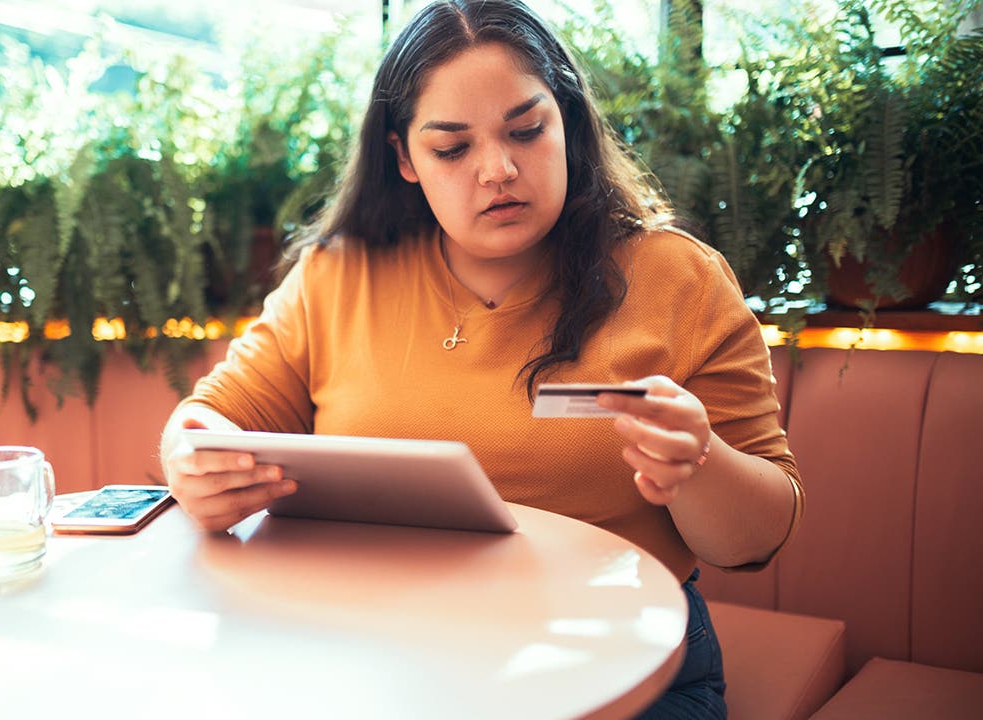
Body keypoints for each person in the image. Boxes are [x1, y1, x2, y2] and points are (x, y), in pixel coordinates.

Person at [159, 0, 803, 716]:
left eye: (526, 130)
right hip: (385, 659)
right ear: (404, 158)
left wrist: (698, 460)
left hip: (623, 660)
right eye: (452, 148)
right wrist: (191, 462)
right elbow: (213, 416)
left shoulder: (677, 278)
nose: (498, 169)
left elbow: (758, 538)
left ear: (567, 121)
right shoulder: (337, 277)